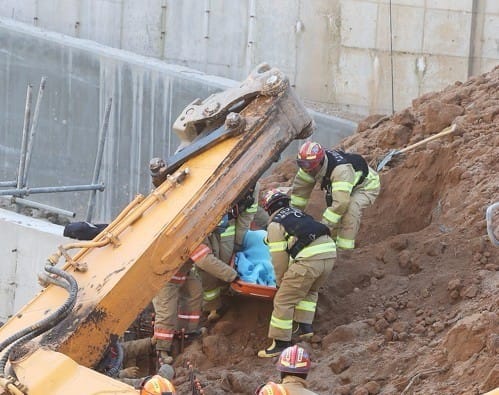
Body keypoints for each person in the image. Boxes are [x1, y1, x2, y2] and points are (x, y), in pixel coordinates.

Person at [257, 189, 335, 357]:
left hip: (309, 260)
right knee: (310, 290)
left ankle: (280, 344)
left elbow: (279, 259)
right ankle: (305, 328)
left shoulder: (275, 224)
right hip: (329, 254)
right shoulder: (299, 214)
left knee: (283, 300)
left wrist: (280, 282)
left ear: (269, 209)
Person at [290, 141, 380, 251]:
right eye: (301, 164)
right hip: (344, 183)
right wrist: (291, 221)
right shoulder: (308, 167)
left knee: (350, 209)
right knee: (333, 208)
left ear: (319, 162)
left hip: (365, 186)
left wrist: (320, 228)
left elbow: (341, 204)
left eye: (308, 165)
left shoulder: (340, 170)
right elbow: (298, 197)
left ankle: (344, 251)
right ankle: (330, 243)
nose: (305, 169)